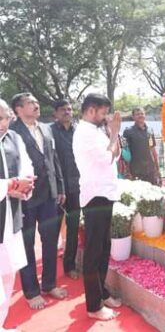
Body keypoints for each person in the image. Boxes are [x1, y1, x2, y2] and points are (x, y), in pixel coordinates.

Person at [10, 93, 66, 309]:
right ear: (18, 109)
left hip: (49, 195)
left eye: (36, 102)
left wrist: (59, 187)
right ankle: (32, 291)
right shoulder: (12, 132)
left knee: (51, 240)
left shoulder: (46, 128)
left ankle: (49, 284)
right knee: (26, 245)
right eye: (30, 103)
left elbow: (54, 159)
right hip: (25, 197)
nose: (36, 105)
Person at [73, 94, 123, 320]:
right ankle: (93, 306)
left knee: (104, 247)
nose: (106, 117)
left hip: (106, 194)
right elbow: (106, 158)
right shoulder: (84, 132)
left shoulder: (96, 131)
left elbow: (116, 154)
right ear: (91, 110)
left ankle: (101, 293)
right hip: (95, 197)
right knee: (94, 251)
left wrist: (113, 136)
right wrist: (113, 134)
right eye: (103, 113)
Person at [0, 98, 35, 327]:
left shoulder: (14, 138)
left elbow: (27, 168)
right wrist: (11, 185)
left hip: (10, 219)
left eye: (5, 118)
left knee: (8, 274)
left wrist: (24, 187)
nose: (3, 123)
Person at [50, 100, 81, 280]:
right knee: (52, 230)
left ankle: (70, 265)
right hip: (56, 190)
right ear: (56, 113)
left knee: (73, 227)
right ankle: (49, 272)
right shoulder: (50, 132)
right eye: (63, 110)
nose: (67, 112)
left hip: (76, 187)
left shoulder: (78, 132)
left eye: (69, 109)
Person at [122, 108, 160, 185]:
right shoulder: (128, 132)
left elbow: (152, 149)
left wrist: (157, 168)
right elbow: (125, 152)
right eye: (137, 114)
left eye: (142, 113)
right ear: (133, 117)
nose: (140, 115)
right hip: (136, 170)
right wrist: (127, 170)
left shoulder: (150, 130)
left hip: (150, 170)